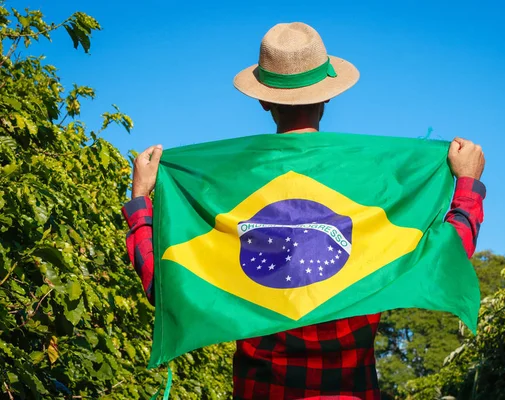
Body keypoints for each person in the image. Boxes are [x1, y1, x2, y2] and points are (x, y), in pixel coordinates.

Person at [122, 22, 486, 400]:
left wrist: (141, 200)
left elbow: (166, 285)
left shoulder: (229, 195)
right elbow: (445, 257)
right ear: (327, 97)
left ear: (263, 100)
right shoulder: (371, 193)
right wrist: (467, 187)